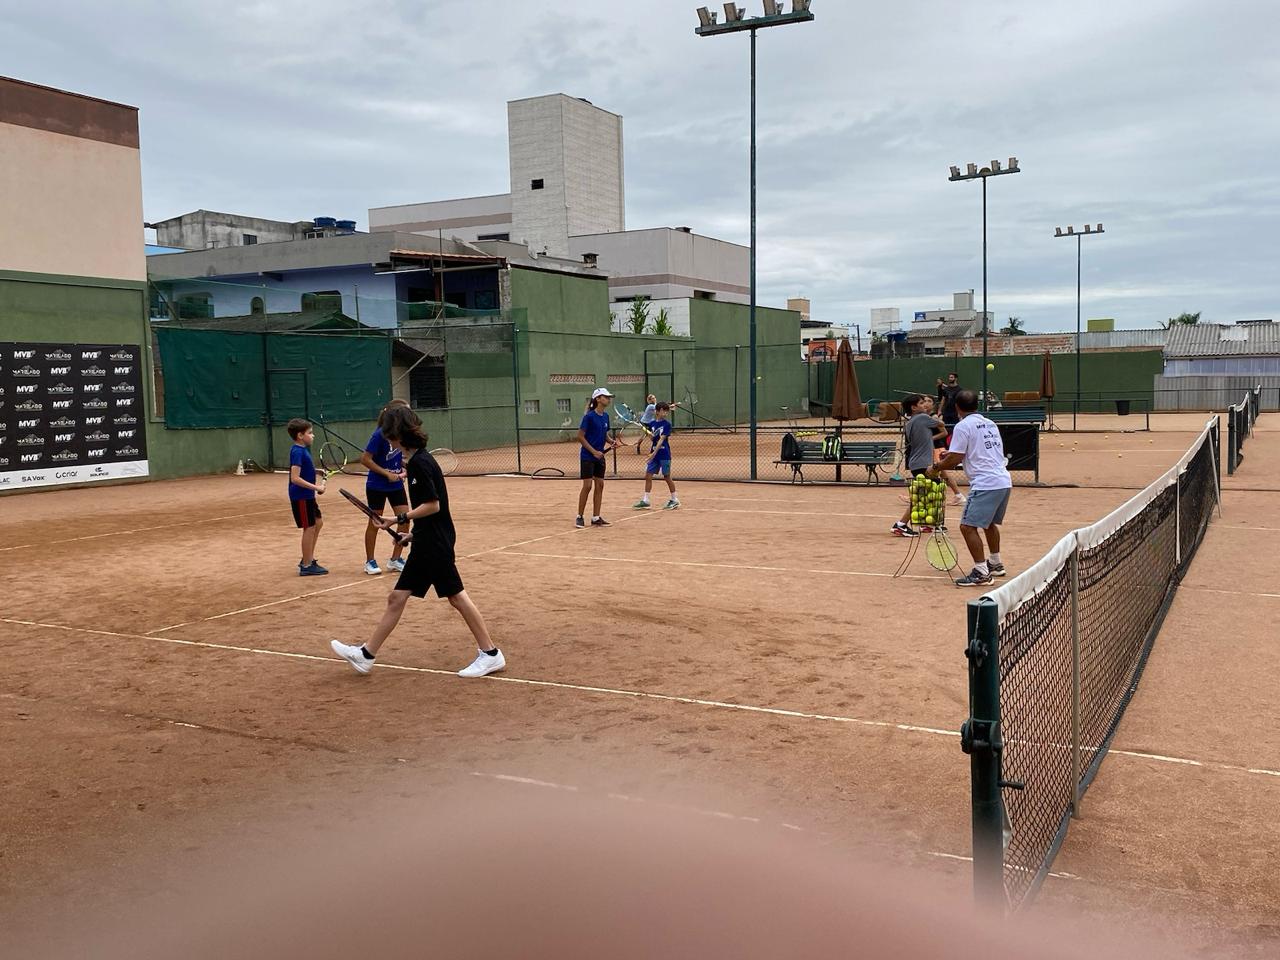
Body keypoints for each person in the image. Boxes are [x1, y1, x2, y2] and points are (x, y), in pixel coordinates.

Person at [329, 405, 504, 678]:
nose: (386, 439)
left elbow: (433, 505)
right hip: (428, 539)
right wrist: (411, 533)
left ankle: (491, 654)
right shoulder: (418, 461)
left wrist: (398, 519)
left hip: (434, 543)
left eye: (388, 434)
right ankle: (366, 655)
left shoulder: (419, 464)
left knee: (456, 596)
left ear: (398, 434)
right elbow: (432, 510)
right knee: (397, 597)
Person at [929, 389, 1011, 586]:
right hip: (1003, 480)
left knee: (967, 527)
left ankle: (981, 572)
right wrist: (951, 453)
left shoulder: (962, 426)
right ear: (977, 405)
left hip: (985, 483)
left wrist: (936, 467)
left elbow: (955, 459)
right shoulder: (989, 423)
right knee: (988, 523)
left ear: (957, 407)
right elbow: (974, 449)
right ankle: (995, 563)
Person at [359, 399, 411, 576]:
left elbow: (393, 457)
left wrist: (404, 466)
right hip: (377, 485)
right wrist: (386, 473)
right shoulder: (379, 434)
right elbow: (365, 459)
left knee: (404, 519)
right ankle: (370, 561)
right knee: (375, 522)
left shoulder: (401, 434)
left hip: (396, 485)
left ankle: (395, 559)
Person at [891, 394, 938, 538]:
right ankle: (901, 525)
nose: (925, 405)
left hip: (917, 463)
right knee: (921, 496)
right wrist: (936, 417)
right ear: (913, 407)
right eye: (922, 403)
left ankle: (926, 523)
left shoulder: (910, 422)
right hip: (923, 464)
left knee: (928, 493)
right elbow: (941, 424)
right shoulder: (923, 418)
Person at [577, 387, 618, 528]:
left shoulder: (606, 416)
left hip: (599, 457)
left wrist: (611, 441)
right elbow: (580, 437)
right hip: (587, 456)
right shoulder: (588, 417)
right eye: (606, 397)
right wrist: (594, 451)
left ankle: (596, 517)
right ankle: (579, 516)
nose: (608, 399)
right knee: (587, 486)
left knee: (600, 485)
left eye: (609, 397)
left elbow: (604, 435)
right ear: (598, 399)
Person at [633, 401, 679, 510]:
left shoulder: (667, 425)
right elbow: (653, 438)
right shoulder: (652, 424)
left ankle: (675, 499)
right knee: (648, 475)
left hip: (664, 454)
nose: (666, 413)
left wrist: (653, 454)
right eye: (664, 411)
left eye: (667, 411)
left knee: (667, 476)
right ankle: (646, 500)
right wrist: (647, 436)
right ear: (658, 411)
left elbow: (661, 440)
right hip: (654, 455)